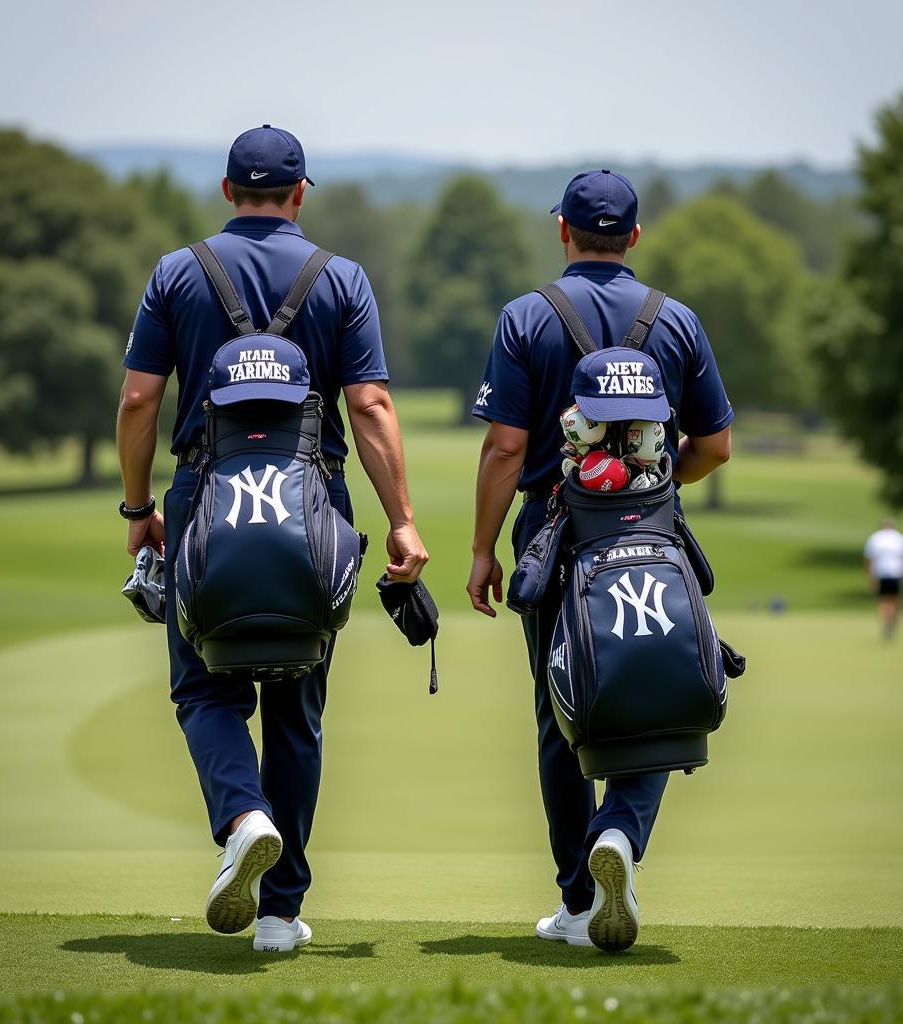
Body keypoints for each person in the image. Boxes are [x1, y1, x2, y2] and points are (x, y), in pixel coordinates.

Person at [116, 125, 428, 953]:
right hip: (310, 504)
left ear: (226, 192)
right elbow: (369, 408)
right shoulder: (342, 278)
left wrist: (138, 507)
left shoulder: (178, 271)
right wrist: (399, 521)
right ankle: (282, 916)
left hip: (202, 498)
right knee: (296, 705)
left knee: (205, 690)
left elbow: (140, 402)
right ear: (299, 194)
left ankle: (242, 817)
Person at [467, 169, 733, 951]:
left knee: (562, 713)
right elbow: (714, 445)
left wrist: (482, 550)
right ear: (636, 239)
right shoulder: (676, 320)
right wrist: (657, 483)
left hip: (555, 542)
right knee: (657, 686)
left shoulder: (526, 316)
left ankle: (579, 901)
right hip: (654, 535)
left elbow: (506, 446)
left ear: (563, 233)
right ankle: (621, 828)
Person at [863, 518, 903, 638]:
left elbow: (869, 559)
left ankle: (886, 621)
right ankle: (892, 620)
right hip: (897, 572)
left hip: (881, 573)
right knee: (894, 599)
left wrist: (869, 576)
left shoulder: (875, 538)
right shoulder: (899, 538)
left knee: (883, 600)